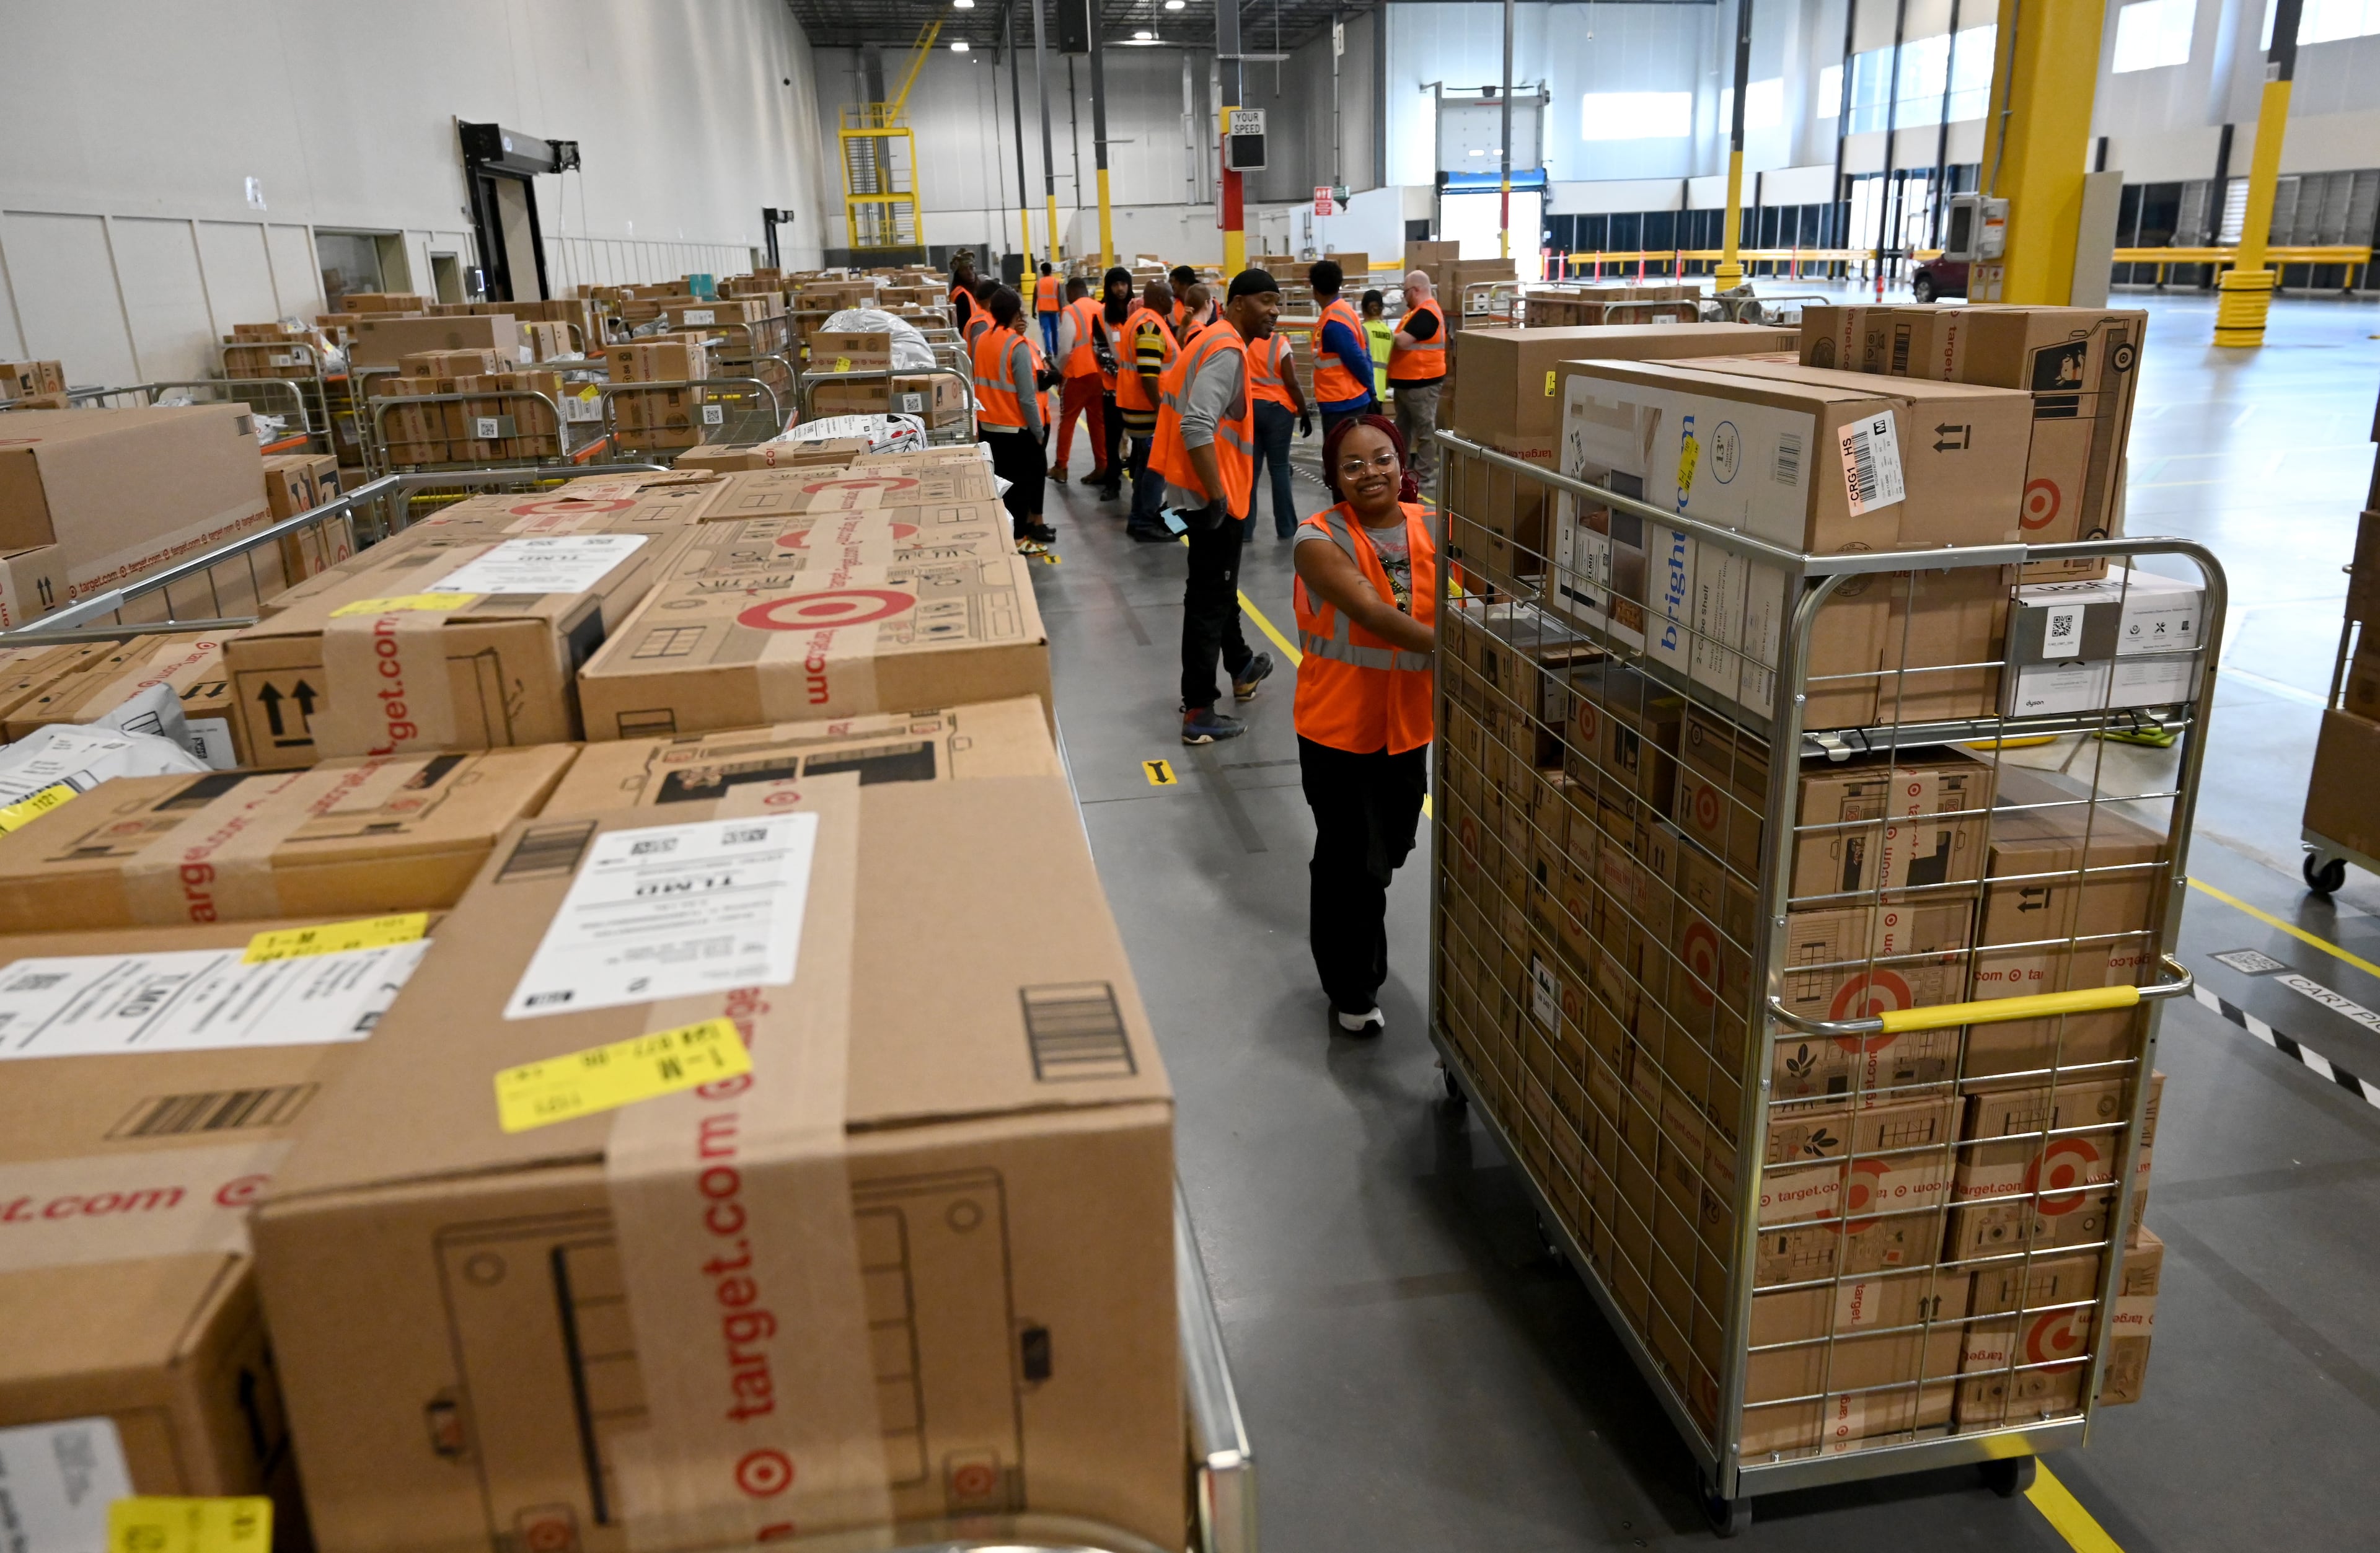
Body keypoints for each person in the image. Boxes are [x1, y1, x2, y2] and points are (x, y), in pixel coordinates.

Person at [1290, 415, 1437, 1035]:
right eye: (1352, 465)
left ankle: (1354, 965)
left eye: (1381, 458)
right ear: (1334, 478)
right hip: (1338, 729)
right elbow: (1372, 612)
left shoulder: (1435, 525)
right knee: (1352, 865)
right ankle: (1353, 989)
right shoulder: (1318, 539)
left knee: (1390, 848)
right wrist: (1468, 651)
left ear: (1400, 463)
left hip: (1408, 726)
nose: (1369, 473)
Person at [1151, 268, 1281, 744]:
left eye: (1278, 303)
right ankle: (1199, 710)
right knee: (1208, 598)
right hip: (1211, 496)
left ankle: (1243, 664)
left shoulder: (1213, 341)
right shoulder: (1226, 350)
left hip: (1192, 490)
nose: (1274, 312)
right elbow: (1196, 425)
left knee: (1217, 585)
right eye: (1266, 301)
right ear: (1239, 303)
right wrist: (1219, 495)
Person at [971, 286, 1055, 553]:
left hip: (987, 425)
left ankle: (1006, 535)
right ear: (1014, 312)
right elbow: (1027, 398)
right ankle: (1019, 540)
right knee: (1022, 487)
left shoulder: (982, 340)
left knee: (1002, 485)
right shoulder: (1016, 346)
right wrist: (1038, 431)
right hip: (1015, 428)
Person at [1118, 279, 1178, 542]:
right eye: (1171, 297)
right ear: (1162, 300)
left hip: (1138, 409)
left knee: (1144, 468)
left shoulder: (1140, 319)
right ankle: (1145, 521)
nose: (1174, 301)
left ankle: (1139, 518)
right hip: (1150, 412)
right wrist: (1163, 410)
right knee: (1156, 470)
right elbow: (1149, 375)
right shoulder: (1151, 326)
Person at [1246, 315, 1313, 540]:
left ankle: (1245, 530)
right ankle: (1286, 529)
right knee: (1280, 468)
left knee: (1251, 472)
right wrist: (1303, 411)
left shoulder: (1243, 342)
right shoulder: (1280, 343)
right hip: (1278, 411)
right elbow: (1292, 382)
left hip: (1249, 411)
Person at [1388, 268, 1448, 491]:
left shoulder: (1427, 313)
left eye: (1405, 292)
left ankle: (1424, 476)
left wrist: (1382, 336)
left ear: (1416, 290)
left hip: (1422, 382)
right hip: (1408, 383)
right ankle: (1402, 471)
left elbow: (1402, 342)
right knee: (1402, 430)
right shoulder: (1416, 313)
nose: (1404, 297)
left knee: (1425, 430)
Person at [1049, 277, 1111, 486]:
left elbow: (1066, 348)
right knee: (1098, 422)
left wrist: (1058, 371)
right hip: (1100, 375)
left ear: (1071, 292)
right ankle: (1103, 465)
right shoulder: (1101, 308)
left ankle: (1061, 466)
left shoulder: (1070, 312)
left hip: (1076, 375)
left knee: (1067, 421)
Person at [1308, 260, 1377, 440]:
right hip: (1351, 397)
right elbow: (1364, 352)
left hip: (1341, 401)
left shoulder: (1332, 322)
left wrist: (1372, 390)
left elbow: (1355, 358)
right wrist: (1371, 389)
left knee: (1339, 457)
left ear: (1314, 290)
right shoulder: (1345, 311)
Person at [1093, 266, 1135, 499]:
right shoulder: (1100, 316)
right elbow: (1100, 351)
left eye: (1124, 284)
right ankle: (1113, 483)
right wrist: (1126, 376)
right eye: (1115, 285)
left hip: (1138, 391)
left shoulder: (1137, 312)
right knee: (1112, 439)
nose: (1120, 289)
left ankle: (1140, 479)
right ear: (1109, 288)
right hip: (1113, 390)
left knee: (1141, 440)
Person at [1360, 288, 1396, 395]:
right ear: (1382, 309)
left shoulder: (1362, 330)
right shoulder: (1389, 332)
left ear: (1363, 309)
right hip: (1380, 390)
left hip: (1365, 390)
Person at [1034, 262, 1064, 356]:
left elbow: (1035, 298)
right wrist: (1061, 311)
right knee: (1055, 331)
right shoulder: (1056, 282)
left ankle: (1048, 351)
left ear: (1042, 271)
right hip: (1054, 310)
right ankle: (1056, 351)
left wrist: (1032, 311)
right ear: (1051, 271)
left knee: (1046, 331)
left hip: (1043, 310)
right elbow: (1060, 298)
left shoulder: (1038, 283)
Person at [948, 252, 979, 337]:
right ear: (958, 273)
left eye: (971, 268)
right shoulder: (962, 296)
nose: (970, 272)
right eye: (964, 269)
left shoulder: (976, 289)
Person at [1168, 265, 1199, 335]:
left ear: (1184, 283)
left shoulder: (1208, 304)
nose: (1169, 285)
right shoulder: (1170, 307)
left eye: (1172, 281)